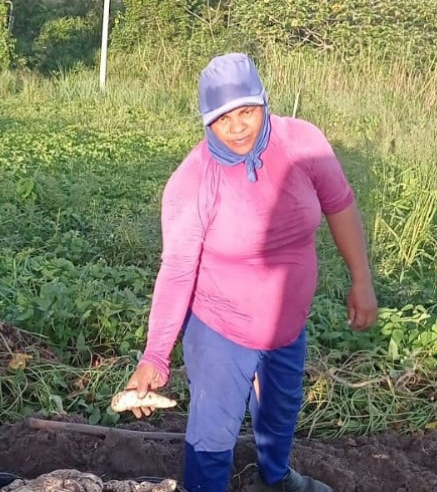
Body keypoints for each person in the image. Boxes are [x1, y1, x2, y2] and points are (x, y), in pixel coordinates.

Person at [123, 53, 378, 492]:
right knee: (213, 432)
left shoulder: (303, 144)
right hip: (221, 329)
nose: (239, 126)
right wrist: (155, 355)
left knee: (280, 412)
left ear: (264, 101)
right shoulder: (193, 181)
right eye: (224, 118)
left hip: (287, 324)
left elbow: (340, 203)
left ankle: (276, 479)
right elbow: (178, 271)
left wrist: (362, 279)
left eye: (247, 111)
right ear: (206, 121)